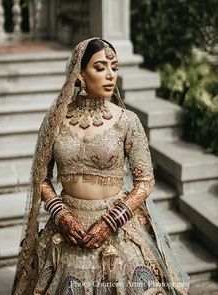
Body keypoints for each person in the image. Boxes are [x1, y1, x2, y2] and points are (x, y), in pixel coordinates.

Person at [12, 37, 190, 295]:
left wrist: (110, 221)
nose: (110, 75)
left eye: (114, 67)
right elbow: (41, 177)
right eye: (100, 67)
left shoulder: (127, 121)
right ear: (80, 74)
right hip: (66, 229)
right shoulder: (56, 121)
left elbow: (145, 182)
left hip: (115, 229)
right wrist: (61, 215)